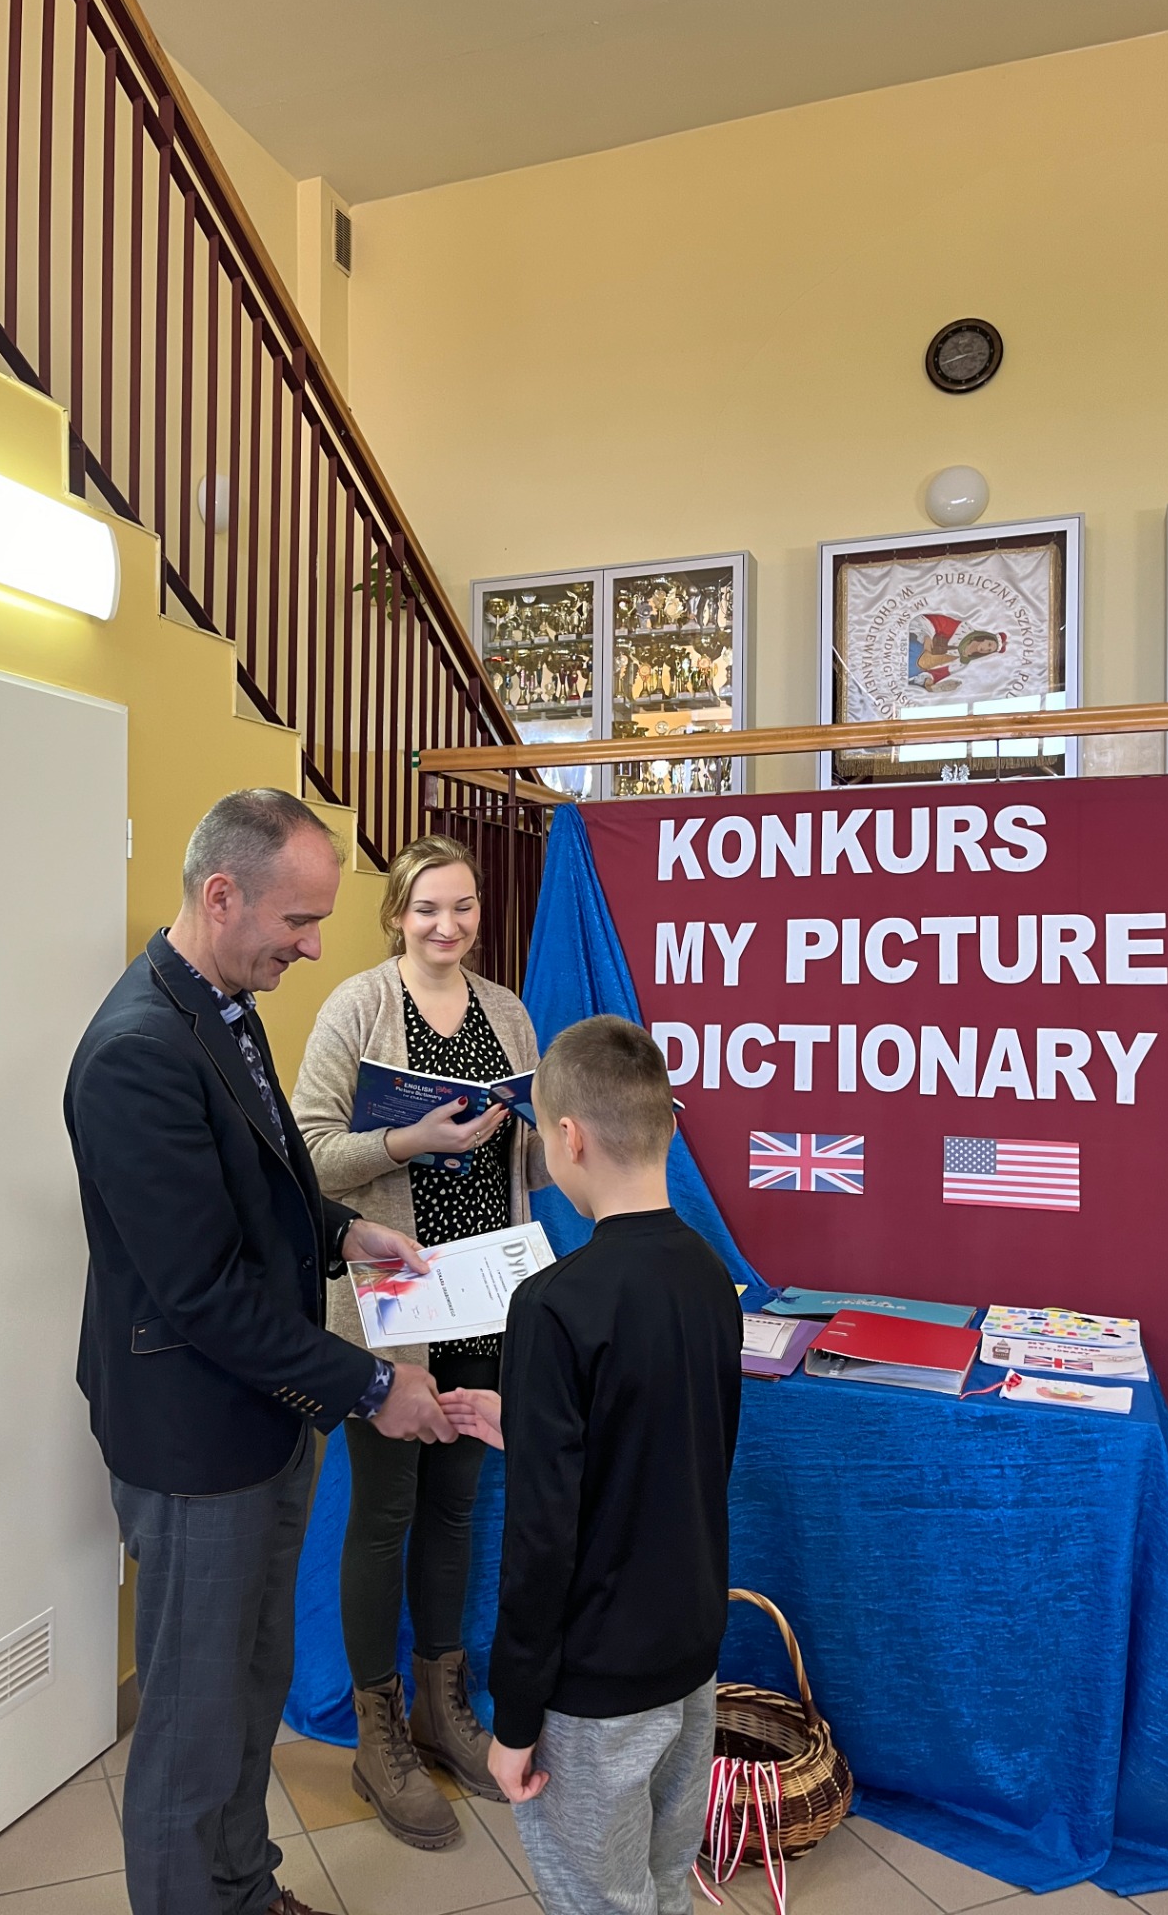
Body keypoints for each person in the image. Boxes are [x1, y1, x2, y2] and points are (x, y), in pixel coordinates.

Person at [64, 788, 456, 1915]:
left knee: (248, 1694)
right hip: (198, 1438)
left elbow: (258, 1186)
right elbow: (201, 1292)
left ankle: (243, 1889)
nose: (314, 947)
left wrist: (342, 1231)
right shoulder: (137, 1052)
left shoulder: (224, 1004)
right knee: (192, 1734)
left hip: (265, 1416)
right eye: (299, 921)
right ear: (223, 895)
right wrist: (374, 1385)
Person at [443, 1015, 742, 1915]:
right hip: (690, 1654)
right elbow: (680, 1449)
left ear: (567, 1137)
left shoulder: (552, 1304)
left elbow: (542, 1538)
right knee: (663, 1882)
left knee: (599, 1898)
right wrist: (536, 1428)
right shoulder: (709, 1275)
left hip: (596, 1683)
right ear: (666, 1126)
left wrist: (515, 1716)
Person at [292, 834, 549, 1850]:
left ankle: (445, 1709)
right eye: (429, 908)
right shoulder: (356, 1007)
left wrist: (549, 1126)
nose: (449, 925)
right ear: (397, 913)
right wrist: (410, 1140)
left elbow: (530, 1157)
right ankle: (379, 1733)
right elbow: (309, 1157)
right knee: (386, 1511)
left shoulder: (508, 1013)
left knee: (456, 1507)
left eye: (465, 907)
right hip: (392, 1298)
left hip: (486, 1293)